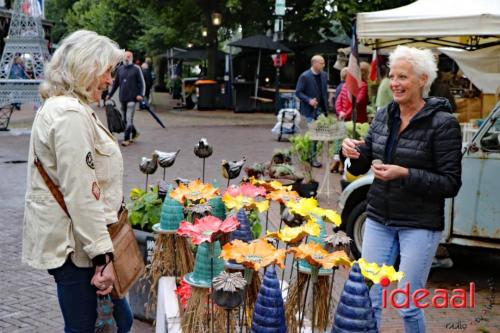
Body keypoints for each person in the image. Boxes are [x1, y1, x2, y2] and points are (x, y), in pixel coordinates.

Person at [341, 46, 462, 333]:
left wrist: (404, 173)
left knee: (408, 303)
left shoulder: (443, 124)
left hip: (419, 225)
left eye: (403, 77)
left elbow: (450, 183)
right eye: (392, 75)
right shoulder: (384, 115)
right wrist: (350, 152)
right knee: (369, 297)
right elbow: (361, 163)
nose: (394, 82)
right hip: (379, 219)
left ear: (422, 80)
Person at [22, 30, 133, 333]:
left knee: (113, 321)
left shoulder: (68, 107)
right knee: (95, 325)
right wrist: (102, 257)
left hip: (78, 244)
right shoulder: (70, 114)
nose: (111, 80)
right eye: (107, 71)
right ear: (86, 66)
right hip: (79, 250)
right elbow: (83, 192)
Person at [295, 54, 329, 168]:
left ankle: (310, 155)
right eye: (321, 63)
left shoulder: (324, 75)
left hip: (322, 110)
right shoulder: (305, 76)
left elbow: (324, 91)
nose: (324, 65)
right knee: (314, 133)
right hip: (309, 110)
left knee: (319, 135)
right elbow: (298, 92)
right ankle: (313, 158)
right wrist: (309, 100)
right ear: (314, 63)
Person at [108, 51, 145, 147]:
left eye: (128, 57)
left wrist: (141, 94)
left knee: (129, 119)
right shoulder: (120, 69)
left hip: (132, 99)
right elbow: (116, 84)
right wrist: (110, 95)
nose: (126, 58)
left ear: (132, 57)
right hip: (122, 98)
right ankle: (135, 132)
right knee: (124, 119)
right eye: (125, 57)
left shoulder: (137, 69)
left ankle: (127, 138)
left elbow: (142, 83)